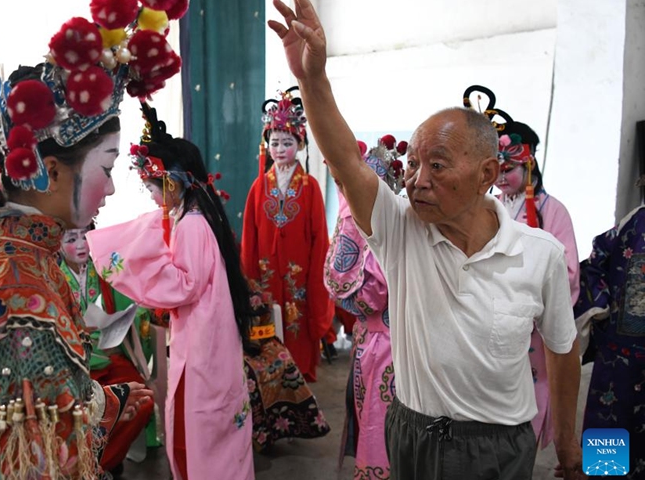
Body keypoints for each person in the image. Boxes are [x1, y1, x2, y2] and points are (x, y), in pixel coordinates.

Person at [268, 1, 584, 478]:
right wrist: (313, 79)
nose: (416, 180)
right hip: (412, 434)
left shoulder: (540, 255)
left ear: (486, 175)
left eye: (436, 165)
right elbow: (346, 163)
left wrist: (568, 449)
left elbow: (562, 349)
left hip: (498, 446)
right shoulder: (400, 232)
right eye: (412, 164)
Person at [0, 0, 185, 476]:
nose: (110, 186)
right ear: (52, 171)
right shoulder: (19, 285)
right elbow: (33, 457)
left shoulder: (11, 248)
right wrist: (105, 408)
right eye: (105, 168)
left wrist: (105, 402)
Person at [87, 103, 256, 480]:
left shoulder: (193, 223)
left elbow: (185, 284)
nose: (150, 196)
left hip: (204, 343)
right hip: (201, 336)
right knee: (200, 422)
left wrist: (137, 263)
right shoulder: (191, 214)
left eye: (151, 187)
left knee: (205, 426)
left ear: (172, 183)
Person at [464, 85, 581, 451]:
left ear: (529, 164)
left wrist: (523, 290)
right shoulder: (487, 206)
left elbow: (568, 271)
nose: (501, 177)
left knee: (527, 407)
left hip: (529, 323)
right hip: (487, 317)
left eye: (510, 168)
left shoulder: (553, 211)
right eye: (496, 169)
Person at [241, 87, 334, 382]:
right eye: (275, 142)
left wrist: (319, 277)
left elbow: (320, 237)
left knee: (297, 326)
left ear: (300, 144)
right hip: (266, 275)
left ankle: (299, 379)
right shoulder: (259, 187)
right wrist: (250, 277)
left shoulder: (310, 188)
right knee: (269, 328)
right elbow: (249, 238)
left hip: (300, 275)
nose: (280, 149)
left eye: (287, 142)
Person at [324, 137, 404, 479]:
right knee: (375, 420)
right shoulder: (388, 220)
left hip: (387, 344)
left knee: (380, 425)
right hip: (375, 339)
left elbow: (354, 290)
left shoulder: (374, 223)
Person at [58, 225, 154, 477]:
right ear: (57, 243)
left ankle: (104, 461)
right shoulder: (52, 277)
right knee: (80, 414)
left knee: (142, 399)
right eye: (71, 238)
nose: (80, 244)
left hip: (109, 357)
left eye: (85, 236)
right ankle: (90, 465)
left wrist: (135, 315)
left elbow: (130, 302)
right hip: (73, 367)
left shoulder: (103, 269)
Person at [574, 205, 645, 478]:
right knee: (607, 457)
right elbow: (597, 257)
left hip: (620, 358)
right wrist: (598, 307)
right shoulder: (634, 221)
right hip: (619, 364)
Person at [244, 280, 330, 451]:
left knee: (282, 359)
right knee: (249, 373)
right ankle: (257, 433)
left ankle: (282, 427)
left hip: (249, 337)